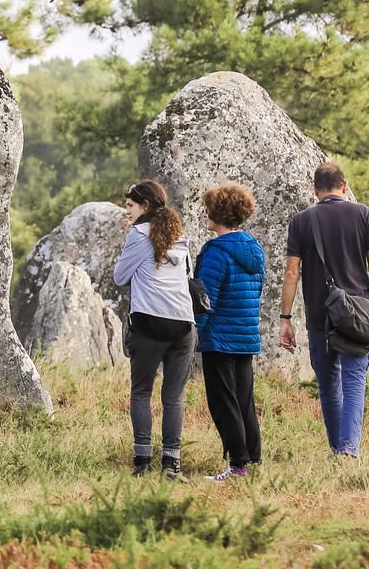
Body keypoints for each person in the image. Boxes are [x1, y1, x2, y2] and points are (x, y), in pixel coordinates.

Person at [279, 163, 369, 459]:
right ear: (345, 185)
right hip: (357, 315)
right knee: (354, 383)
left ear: (316, 191)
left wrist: (285, 318)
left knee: (328, 386)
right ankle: (347, 449)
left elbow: (292, 273)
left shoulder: (301, 221)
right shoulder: (362, 213)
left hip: (319, 315)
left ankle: (338, 449)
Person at [112, 180, 195, 481]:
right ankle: (172, 465)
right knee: (173, 397)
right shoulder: (179, 234)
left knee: (141, 392)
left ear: (144, 206)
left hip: (150, 322)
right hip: (184, 324)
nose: (128, 211)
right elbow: (188, 275)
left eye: (131, 206)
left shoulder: (137, 234)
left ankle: (142, 462)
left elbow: (120, 276)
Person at [192, 184, 265, 481]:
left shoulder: (216, 253)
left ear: (217, 213)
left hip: (220, 337)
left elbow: (205, 301)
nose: (205, 214)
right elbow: (256, 292)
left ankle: (238, 465)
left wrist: (198, 333)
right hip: (246, 336)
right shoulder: (254, 249)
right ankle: (253, 458)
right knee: (244, 400)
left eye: (208, 209)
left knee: (223, 402)